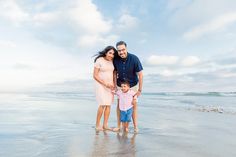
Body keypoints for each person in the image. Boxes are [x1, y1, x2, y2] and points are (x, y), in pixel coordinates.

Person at [113, 41, 143, 133]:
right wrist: (114, 85)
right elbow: (114, 73)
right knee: (119, 106)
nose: (121, 52)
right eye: (119, 50)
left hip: (133, 86)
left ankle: (135, 127)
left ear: (126, 48)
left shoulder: (134, 58)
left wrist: (139, 90)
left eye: (123, 50)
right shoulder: (116, 60)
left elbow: (140, 75)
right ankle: (119, 126)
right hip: (120, 86)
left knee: (133, 106)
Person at [93, 46, 117, 131]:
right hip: (101, 84)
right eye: (110, 53)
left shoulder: (113, 61)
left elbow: (114, 74)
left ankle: (105, 125)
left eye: (113, 54)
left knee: (108, 105)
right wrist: (104, 83)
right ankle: (97, 125)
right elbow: (95, 75)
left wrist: (115, 84)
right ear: (106, 52)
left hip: (110, 85)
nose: (111, 55)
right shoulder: (99, 60)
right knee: (102, 104)